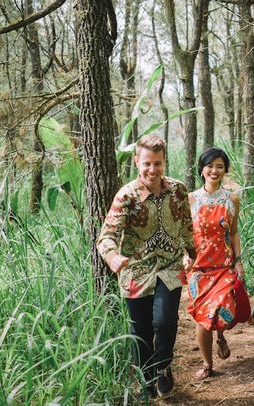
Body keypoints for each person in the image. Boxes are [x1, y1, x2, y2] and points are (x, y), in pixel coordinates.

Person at [96, 134, 195, 399]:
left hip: (170, 268)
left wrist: (193, 251)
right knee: (139, 330)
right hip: (136, 271)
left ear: (164, 162)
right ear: (137, 162)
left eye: (158, 163)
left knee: (164, 322)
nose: (153, 170)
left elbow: (186, 223)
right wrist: (113, 257)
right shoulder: (127, 195)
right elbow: (106, 236)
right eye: (147, 163)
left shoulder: (178, 190)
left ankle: (163, 366)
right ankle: (146, 376)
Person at [186, 147, 246, 380]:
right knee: (202, 319)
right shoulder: (190, 199)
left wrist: (239, 261)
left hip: (223, 266)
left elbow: (233, 233)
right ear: (202, 170)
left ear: (225, 170)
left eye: (219, 166)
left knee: (221, 308)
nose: (214, 170)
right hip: (198, 270)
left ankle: (220, 336)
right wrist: (185, 254)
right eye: (210, 166)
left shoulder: (232, 199)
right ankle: (207, 364)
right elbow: (183, 232)